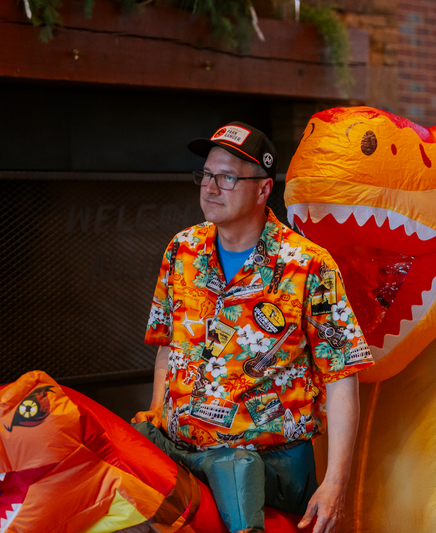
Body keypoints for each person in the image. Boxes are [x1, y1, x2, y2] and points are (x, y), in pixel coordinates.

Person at [132, 122, 375, 533]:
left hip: (267, 469)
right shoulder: (182, 249)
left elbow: (342, 377)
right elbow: (169, 345)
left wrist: (336, 482)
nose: (210, 187)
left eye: (227, 177)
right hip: (180, 454)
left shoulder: (308, 265)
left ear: (263, 190)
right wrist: (157, 412)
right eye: (207, 175)